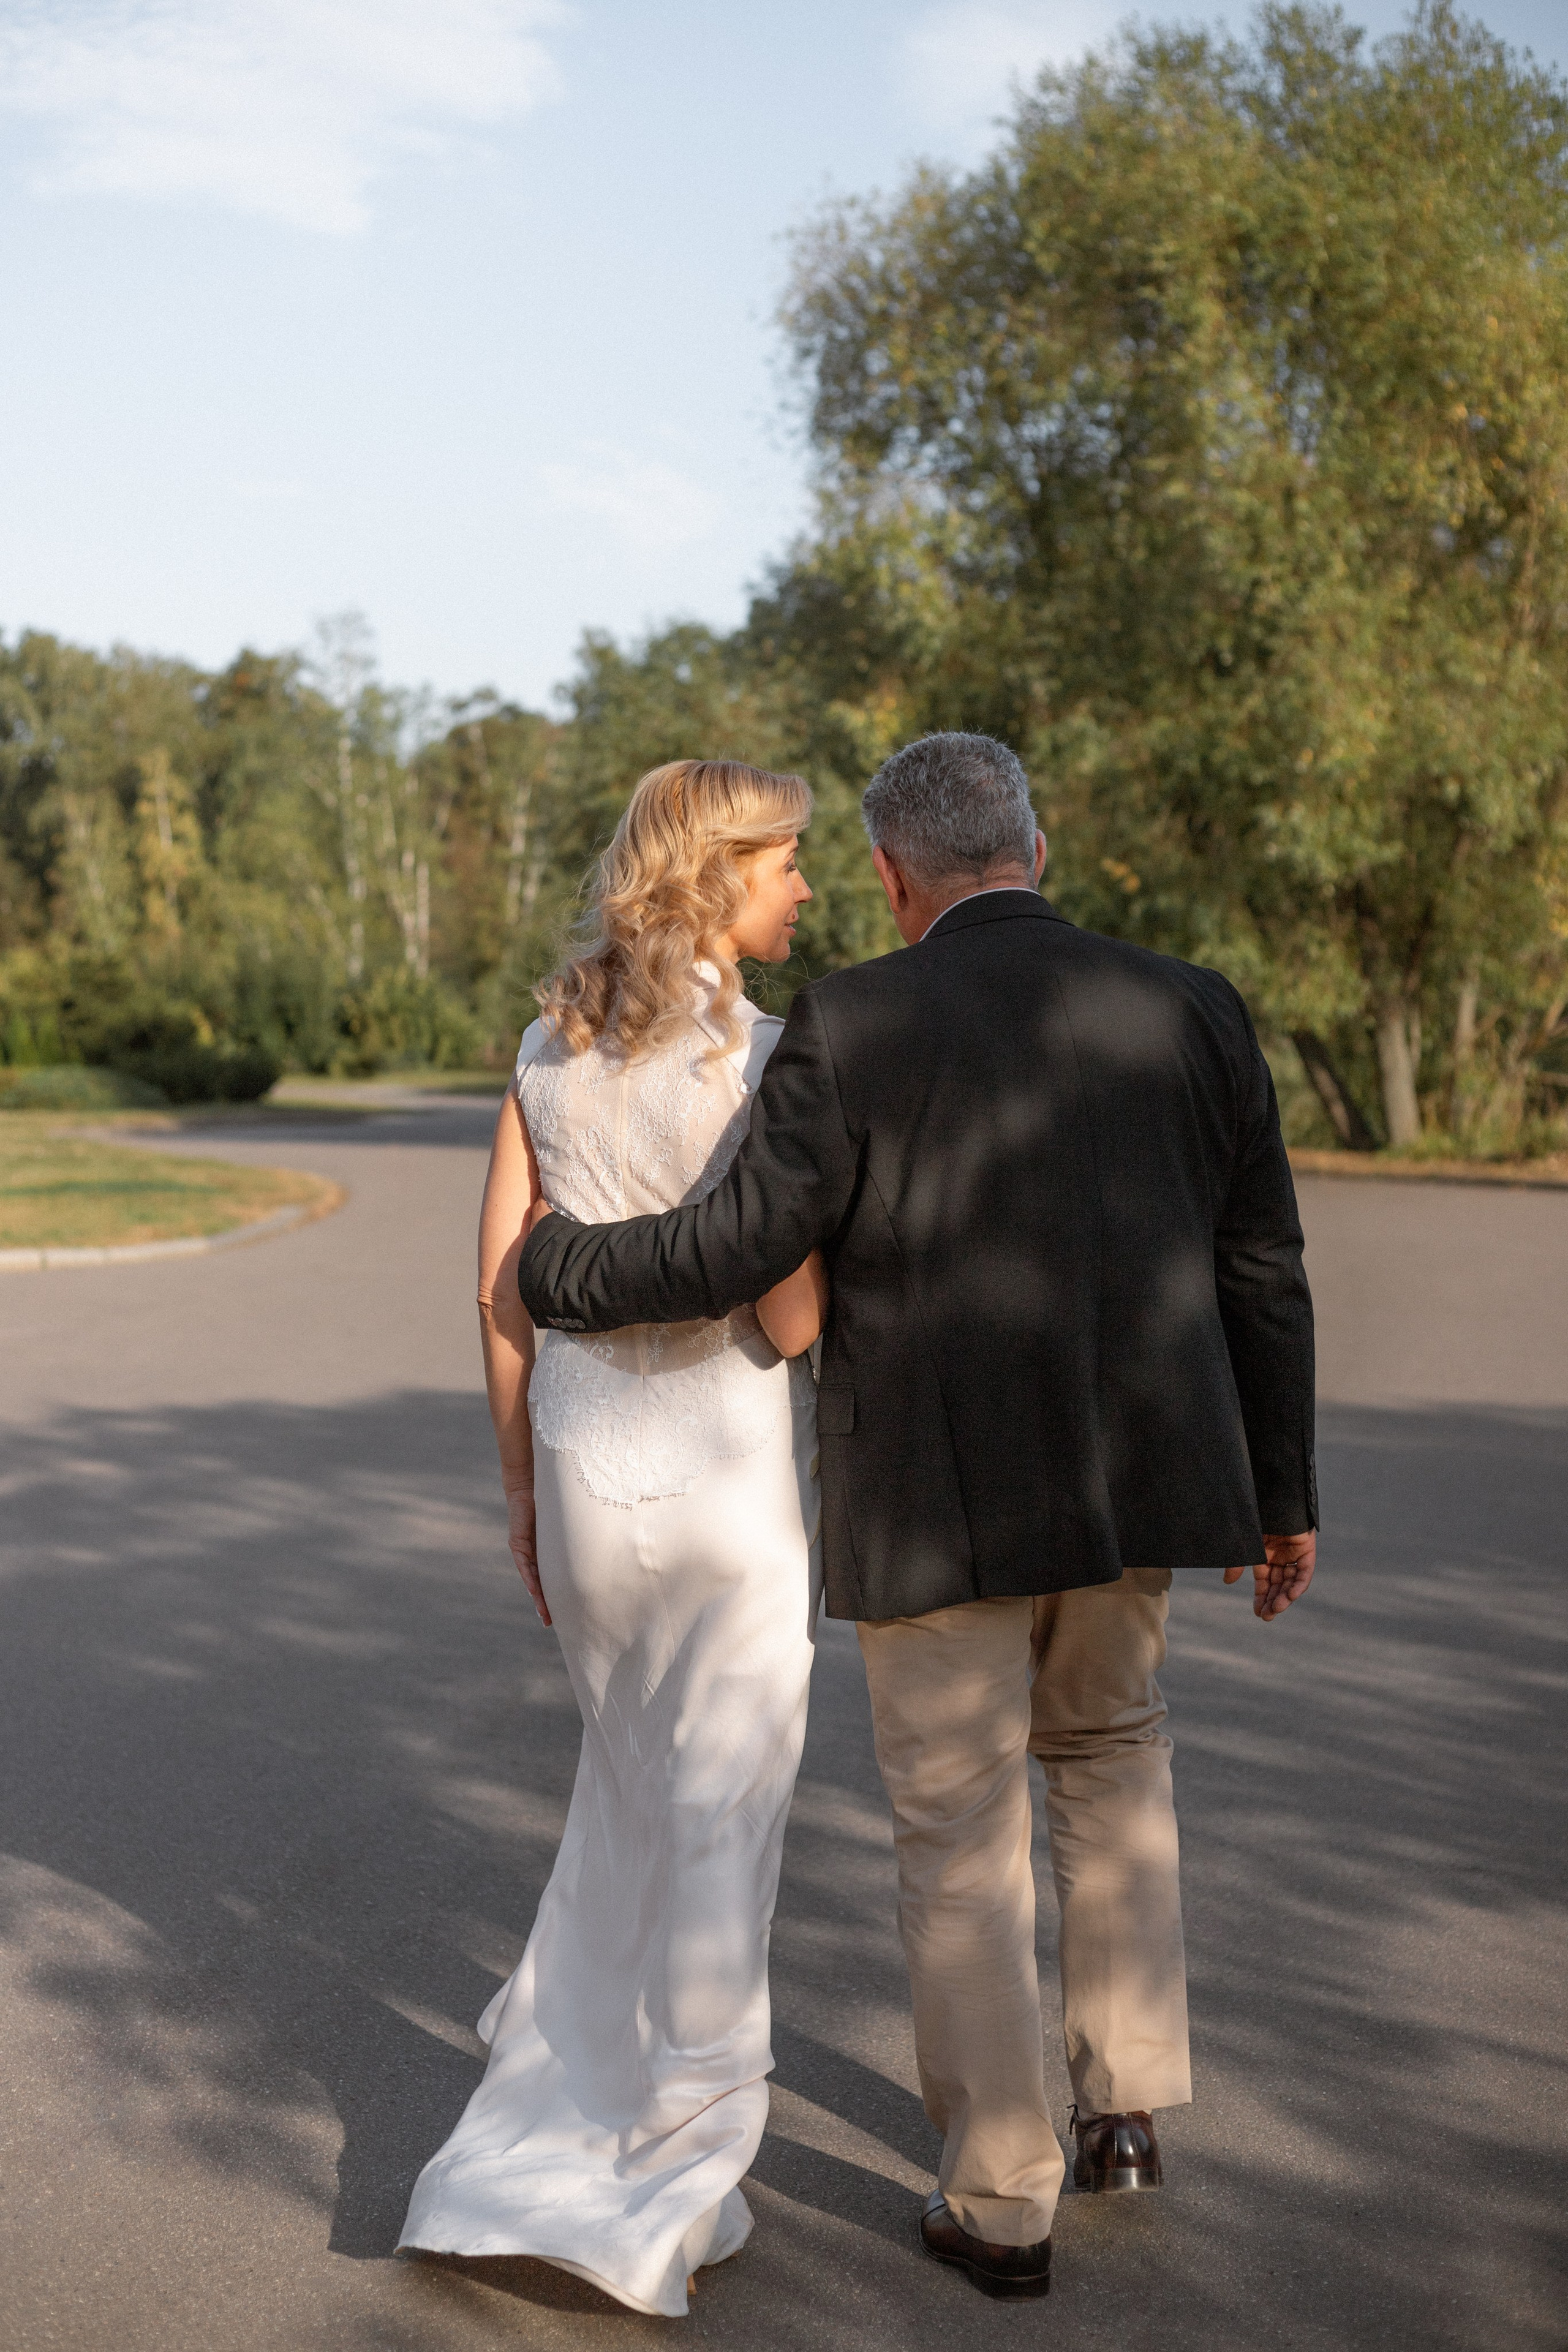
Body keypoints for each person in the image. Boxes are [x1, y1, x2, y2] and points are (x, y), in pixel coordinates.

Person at [519, 731, 1318, 2303]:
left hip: (937, 1497)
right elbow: (1260, 1270)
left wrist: (553, 1274)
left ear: (892, 875)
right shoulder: (1191, 1006)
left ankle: (998, 2200)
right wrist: (1279, 1495)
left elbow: (735, 1242)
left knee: (959, 1835)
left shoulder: (858, 1019)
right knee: (1109, 1759)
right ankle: (1128, 2114)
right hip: (1139, 1493)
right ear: (1035, 842)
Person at [399, 760, 829, 2318]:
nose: (802, 887)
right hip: (718, 1484)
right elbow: (785, 1312)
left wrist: (517, 1490)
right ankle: (671, 2174)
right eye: (783, 861)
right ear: (716, 877)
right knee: (720, 1822)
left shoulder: (543, 1048)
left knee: (626, 1804)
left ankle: (538, 2154)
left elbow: (500, 1294)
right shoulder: (771, 1060)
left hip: (584, 1475)